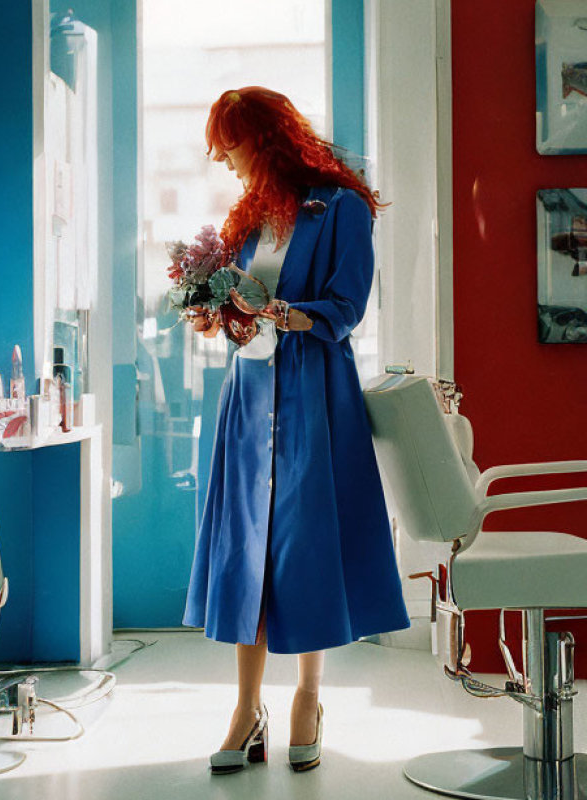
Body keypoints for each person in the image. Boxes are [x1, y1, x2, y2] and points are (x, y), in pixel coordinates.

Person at [182, 86, 410, 775]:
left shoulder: (341, 208)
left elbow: (343, 309)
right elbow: (235, 314)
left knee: (305, 547)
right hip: (248, 398)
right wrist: (214, 311)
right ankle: (247, 709)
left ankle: (308, 697)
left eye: (232, 142)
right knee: (244, 547)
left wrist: (274, 309)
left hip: (315, 392)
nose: (223, 158)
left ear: (267, 138)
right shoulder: (248, 219)